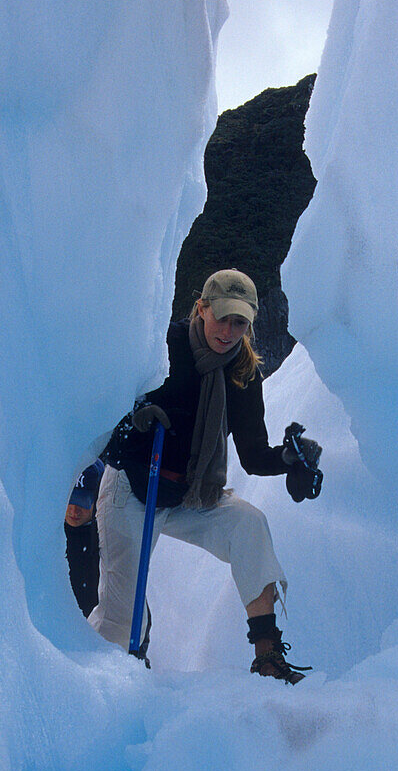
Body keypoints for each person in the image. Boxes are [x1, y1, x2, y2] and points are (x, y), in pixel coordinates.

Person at [88, 269, 322, 683]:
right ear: (202, 308)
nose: (230, 332)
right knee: (123, 616)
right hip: (134, 489)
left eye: (241, 322)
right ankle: (101, 681)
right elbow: (105, 422)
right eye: (224, 318)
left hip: (190, 494)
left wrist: (289, 459)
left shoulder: (242, 372)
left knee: (249, 525)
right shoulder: (165, 345)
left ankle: (268, 656)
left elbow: (252, 455)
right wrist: (132, 424)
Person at [64, 459, 104, 618]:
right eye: (70, 501)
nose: (74, 510)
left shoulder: (106, 540)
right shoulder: (46, 533)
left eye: (83, 502)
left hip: (90, 633)